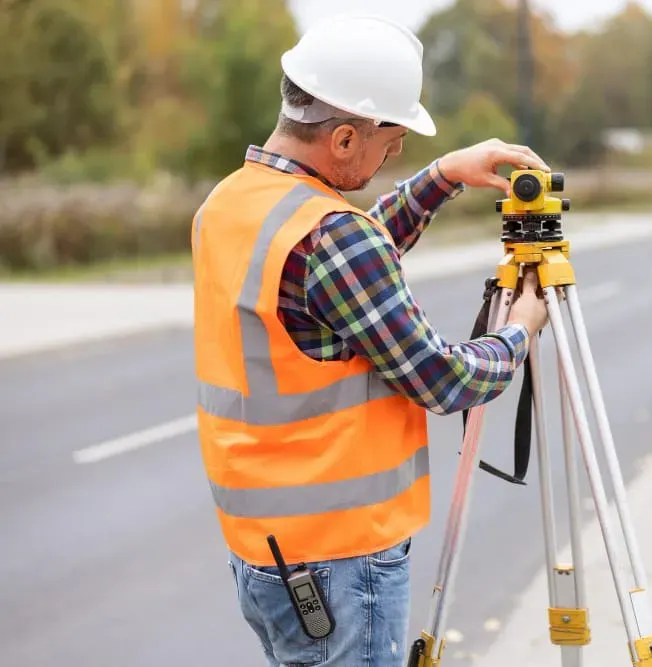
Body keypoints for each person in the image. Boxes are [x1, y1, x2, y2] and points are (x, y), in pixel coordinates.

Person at [190, 12, 550, 667]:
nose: (397, 153)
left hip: (267, 557)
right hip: (340, 562)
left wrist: (442, 177)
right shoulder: (331, 237)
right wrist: (518, 331)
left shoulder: (230, 205)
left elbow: (349, 272)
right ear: (348, 136)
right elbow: (442, 378)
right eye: (395, 137)